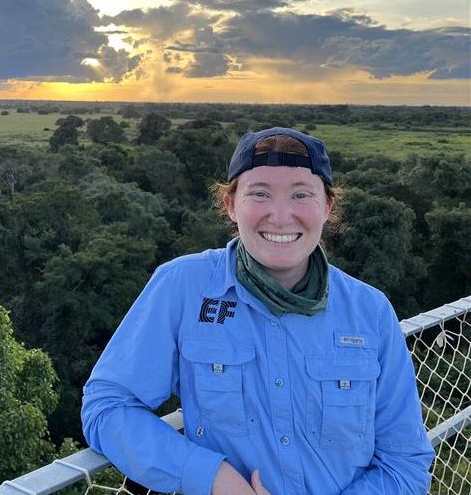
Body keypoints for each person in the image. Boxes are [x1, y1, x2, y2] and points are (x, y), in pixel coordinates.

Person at [82, 127, 435, 495]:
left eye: (301, 194)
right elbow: (107, 406)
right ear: (231, 205)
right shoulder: (183, 287)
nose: (280, 217)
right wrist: (212, 477)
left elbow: (404, 464)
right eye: (260, 194)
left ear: (327, 207)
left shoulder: (370, 311)